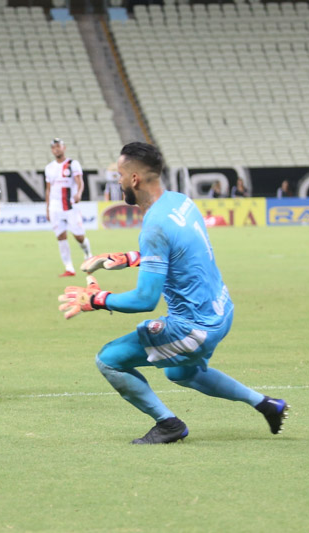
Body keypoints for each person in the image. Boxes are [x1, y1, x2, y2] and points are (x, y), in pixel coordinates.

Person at [58, 142, 289, 444]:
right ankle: (267, 404)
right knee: (180, 373)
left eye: (120, 175)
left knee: (109, 360)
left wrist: (96, 300)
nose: (118, 181)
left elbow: (145, 299)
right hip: (221, 310)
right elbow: (180, 251)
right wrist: (130, 257)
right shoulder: (181, 202)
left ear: (135, 179)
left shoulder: (155, 226)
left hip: (193, 329)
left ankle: (169, 424)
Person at [44, 138, 93, 277]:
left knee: (78, 236)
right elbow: (48, 189)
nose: (56, 149)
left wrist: (78, 193)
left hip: (70, 205)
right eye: (54, 147)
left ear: (64, 148)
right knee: (60, 236)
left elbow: (80, 182)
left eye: (58, 146)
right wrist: (47, 208)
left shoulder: (73, 164)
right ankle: (69, 268)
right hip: (55, 206)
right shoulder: (49, 168)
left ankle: (88, 254)